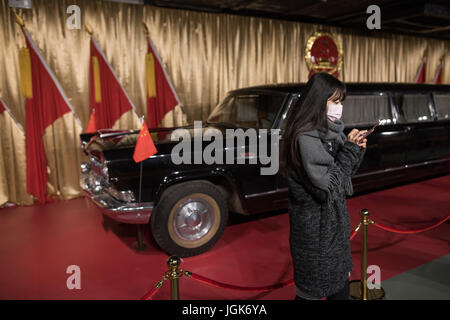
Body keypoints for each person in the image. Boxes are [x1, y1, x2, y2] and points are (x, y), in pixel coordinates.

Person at [280, 72, 367, 300]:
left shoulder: (330, 134)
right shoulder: (305, 138)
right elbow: (328, 189)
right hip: (316, 236)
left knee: (340, 289)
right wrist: (349, 151)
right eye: (335, 101)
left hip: (333, 231)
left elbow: (344, 180)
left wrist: (355, 149)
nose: (339, 107)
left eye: (341, 102)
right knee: (311, 294)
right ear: (319, 101)